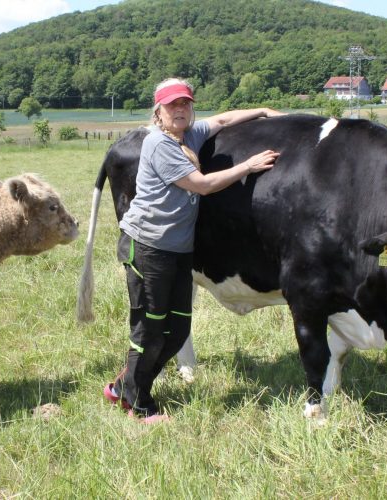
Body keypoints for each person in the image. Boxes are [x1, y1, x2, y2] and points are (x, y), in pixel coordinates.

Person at [103, 77, 284, 423]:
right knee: (151, 329)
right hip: (148, 247)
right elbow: (200, 185)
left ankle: (122, 386)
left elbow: (223, 120)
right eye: (173, 105)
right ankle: (139, 407)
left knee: (178, 329)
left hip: (177, 250)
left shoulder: (188, 134)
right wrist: (248, 165)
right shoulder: (159, 145)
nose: (180, 109)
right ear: (158, 111)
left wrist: (262, 110)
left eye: (185, 103)